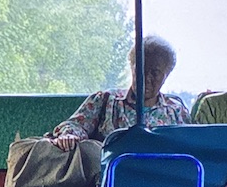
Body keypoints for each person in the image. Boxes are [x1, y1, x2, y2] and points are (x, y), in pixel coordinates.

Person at [48, 35, 189, 151]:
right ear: (132, 68)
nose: (146, 78)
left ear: (166, 75)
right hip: (109, 178)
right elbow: (74, 125)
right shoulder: (106, 100)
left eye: (155, 73)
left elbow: (191, 147)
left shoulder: (176, 111)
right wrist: (70, 136)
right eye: (140, 70)